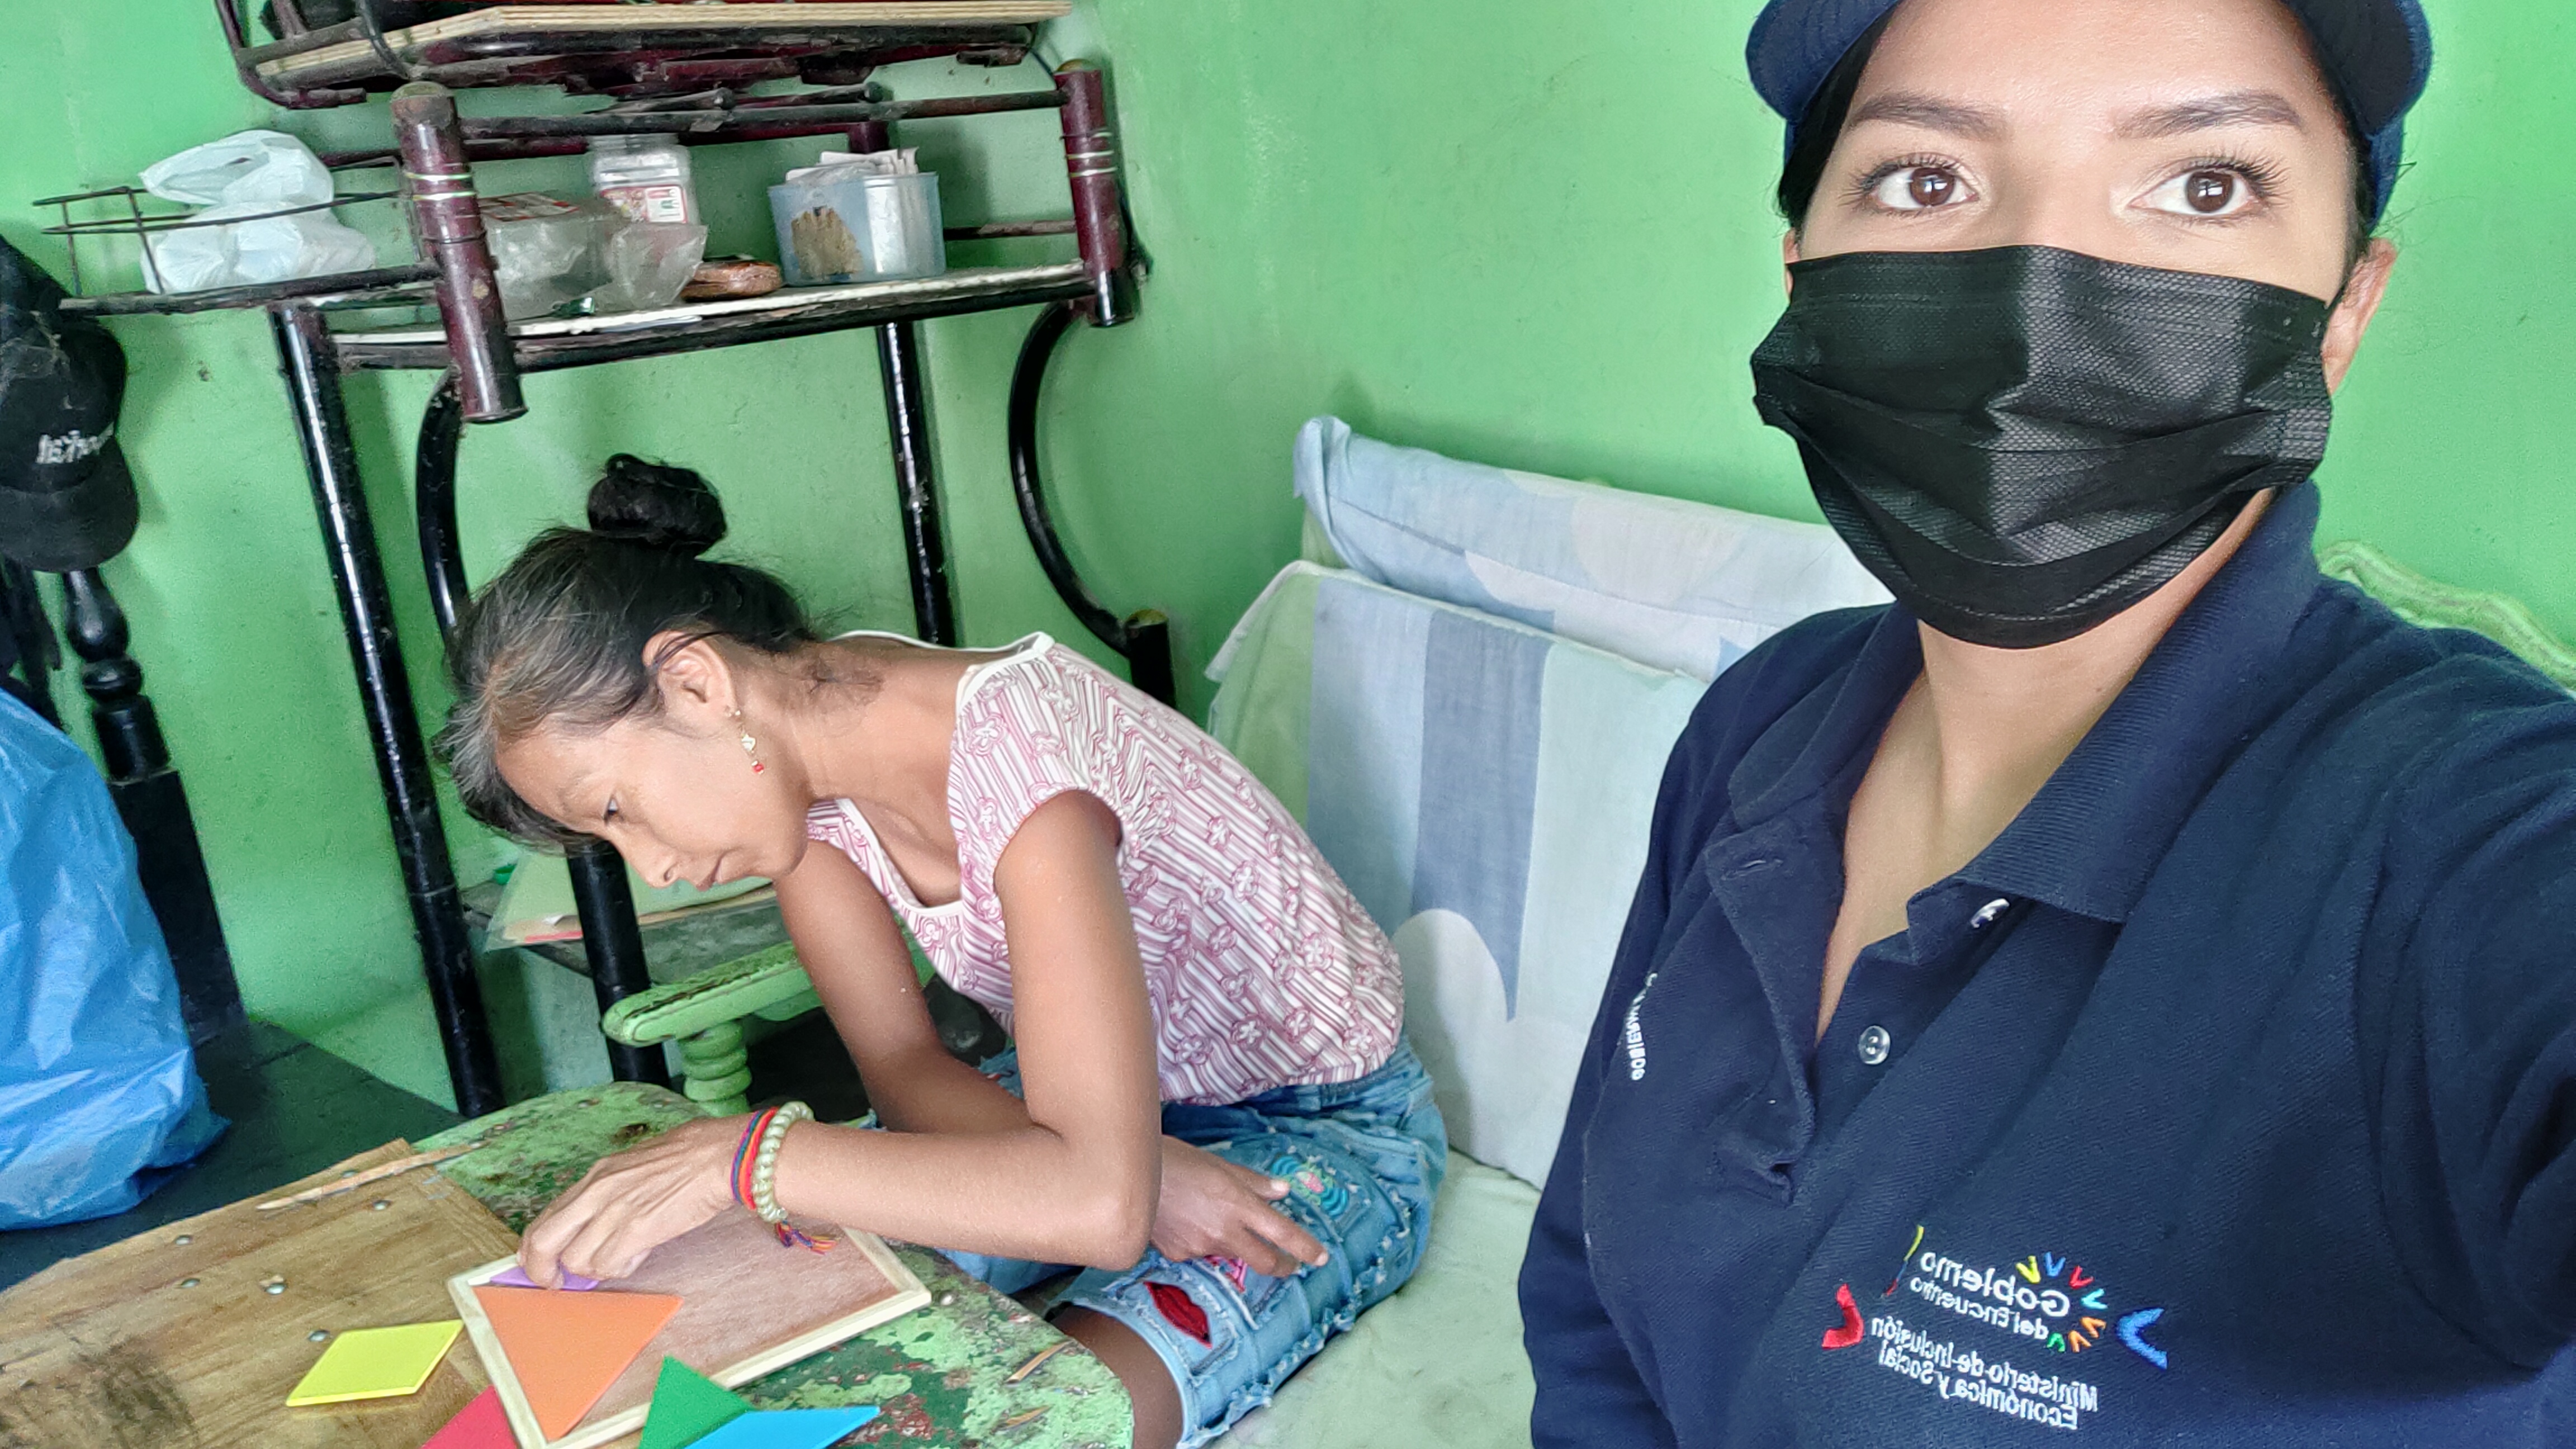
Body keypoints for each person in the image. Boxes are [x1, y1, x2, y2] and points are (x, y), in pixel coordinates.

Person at [1522, 0, 2576, 1442]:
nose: (2039, 306)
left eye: (2205, 185)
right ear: (1802, 276)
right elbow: (1589, 1287)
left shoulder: (2456, 836)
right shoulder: (1763, 716)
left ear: (2344, 315)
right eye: (1926, 179)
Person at [435, 456, 1444, 1449]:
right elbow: (905, 1068)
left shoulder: (1033, 779)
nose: (652, 868)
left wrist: (746, 1159)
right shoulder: (807, 768)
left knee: (1038, 1419)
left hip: (1318, 1131)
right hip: (1081, 1119)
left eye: (617, 810)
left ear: (697, 684)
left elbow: (1095, 1207)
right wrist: (1140, 1177)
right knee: (754, 1294)